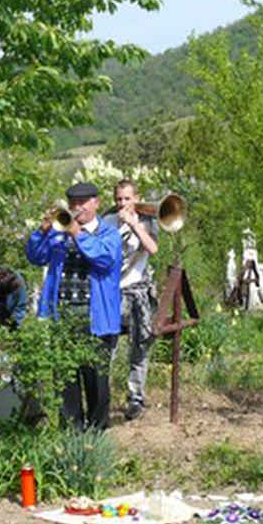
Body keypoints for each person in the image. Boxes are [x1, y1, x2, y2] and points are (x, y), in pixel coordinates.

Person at [26, 181, 122, 431]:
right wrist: (42, 231)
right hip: (63, 315)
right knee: (65, 378)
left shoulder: (109, 233)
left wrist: (78, 233)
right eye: (73, 203)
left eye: (82, 203)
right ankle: (71, 434)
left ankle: (97, 434)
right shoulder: (59, 232)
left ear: (96, 203)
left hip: (96, 317)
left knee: (97, 378)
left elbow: (104, 259)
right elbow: (35, 257)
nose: (77, 208)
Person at [102, 179, 159, 422]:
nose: (122, 203)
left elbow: (152, 248)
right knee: (107, 348)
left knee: (139, 346)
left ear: (136, 198)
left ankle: (136, 397)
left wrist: (134, 224)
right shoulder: (107, 221)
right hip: (113, 292)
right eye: (118, 199)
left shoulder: (147, 221)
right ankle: (102, 399)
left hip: (138, 291)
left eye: (127, 198)